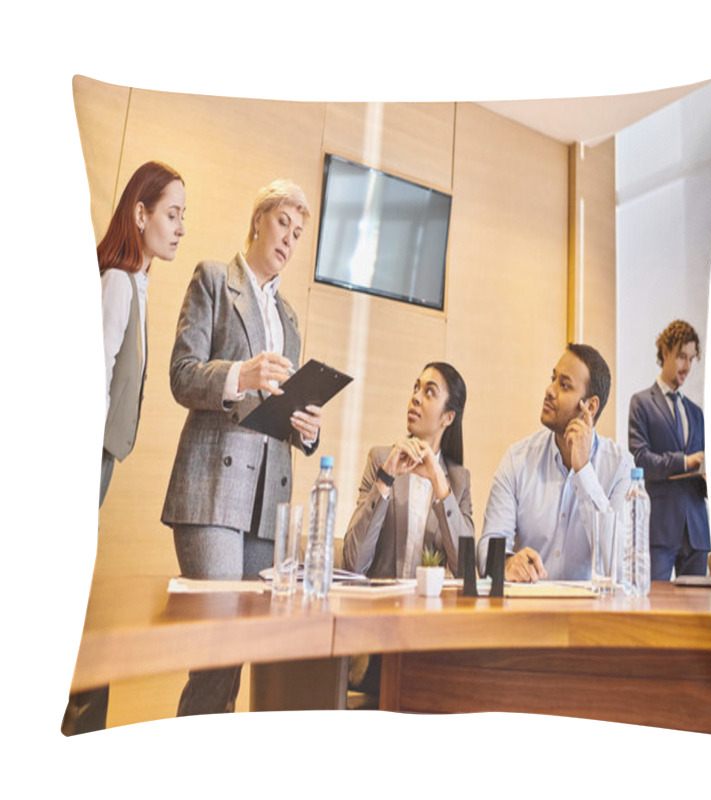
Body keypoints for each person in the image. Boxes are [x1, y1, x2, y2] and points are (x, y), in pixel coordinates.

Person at [161, 179, 322, 716]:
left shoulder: (291, 320)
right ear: (258, 220)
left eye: (298, 234)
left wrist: (307, 427)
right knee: (216, 650)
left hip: (266, 504)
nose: (289, 240)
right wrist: (240, 374)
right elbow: (182, 376)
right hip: (212, 490)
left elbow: (285, 409)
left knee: (241, 654)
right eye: (282, 224)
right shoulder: (213, 278)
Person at [62, 161, 186, 735]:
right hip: (83, 459)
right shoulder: (116, 281)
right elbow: (89, 382)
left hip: (102, 458)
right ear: (140, 214)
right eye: (172, 213)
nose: (180, 226)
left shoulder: (138, 281)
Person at [478, 343, 634, 582]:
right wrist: (508, 562)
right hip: (529, 610)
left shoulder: (620, 467)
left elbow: (622, 568)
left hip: (591, 614)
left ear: (590, 407)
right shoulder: (517, 459)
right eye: (553, 379)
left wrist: (583, 471)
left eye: (564, 385)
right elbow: (488, 547)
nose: (549, 390)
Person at [343, 362, 473, 578]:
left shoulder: (459, 480)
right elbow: (353, 563)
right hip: (380, 606)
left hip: (430, 609)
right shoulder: (381, 460)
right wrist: (386, 478)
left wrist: (440, 485)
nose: (416, 397)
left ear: (448, 417)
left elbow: (467, 572)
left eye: (429, 392)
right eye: (416, 388)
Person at [628, 319, 710, 580]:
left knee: (696, 615)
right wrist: (686, 462)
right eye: (681, 357)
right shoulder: (641, 403)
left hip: (696, 532)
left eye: (691, 359)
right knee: (654, 609)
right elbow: (642, 461)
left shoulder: (696, 413)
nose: (687, 367)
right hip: (660, 529)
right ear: (665, 351)